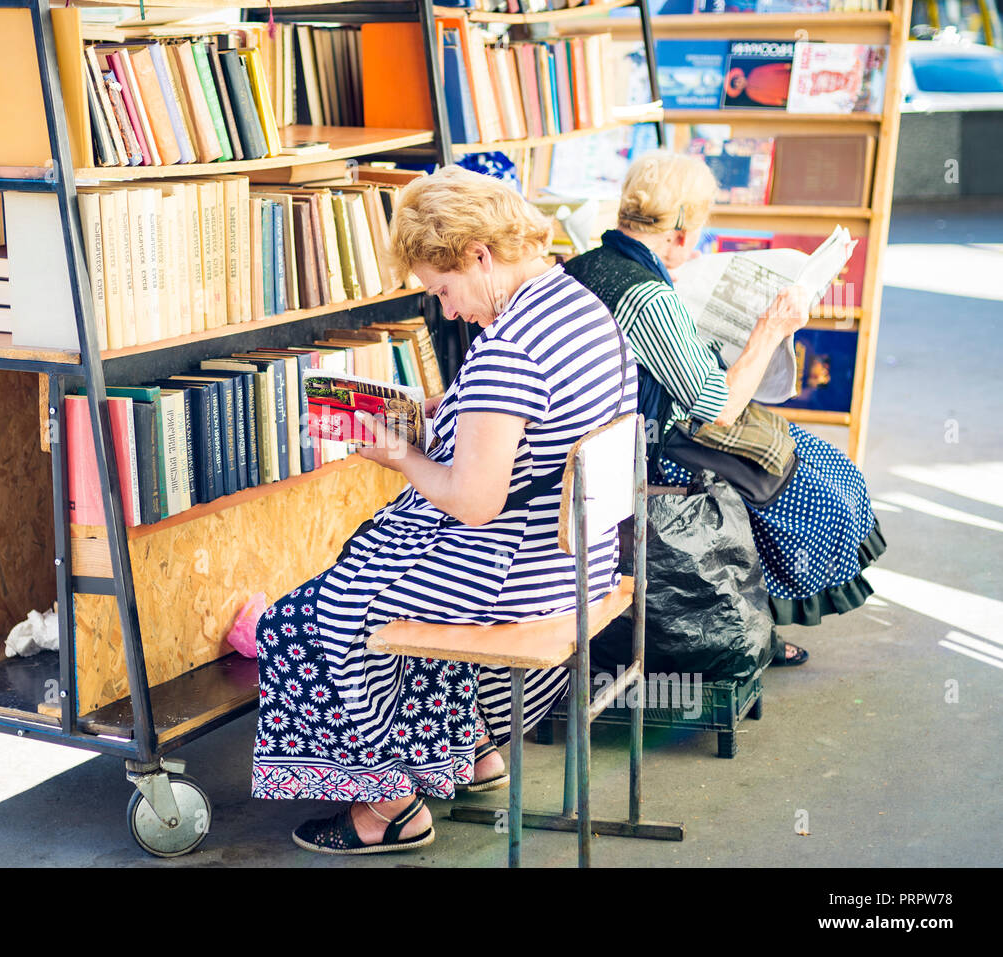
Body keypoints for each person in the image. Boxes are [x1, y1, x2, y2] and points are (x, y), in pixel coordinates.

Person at [250, 165, 636, 853]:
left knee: (306, 619)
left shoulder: (509, 350)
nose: (449, 309)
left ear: (480, 255)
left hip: (513, 568)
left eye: (444, 288)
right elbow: (524, 435)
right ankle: (470, 749)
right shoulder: (580, 309)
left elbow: (473, 501)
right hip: (580, 553)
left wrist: (394, 452)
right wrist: (442, 415)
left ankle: (389, 807)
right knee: (359, 570)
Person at [564, 151, 886, 666]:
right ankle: (749, 622)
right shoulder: (648, 296)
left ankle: (750, 616)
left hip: (615, 434)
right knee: (811, 484)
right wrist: (771, 329)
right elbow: (720, 408)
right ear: (683, 227)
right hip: (650, 450)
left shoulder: (584, 265)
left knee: (801, 454)